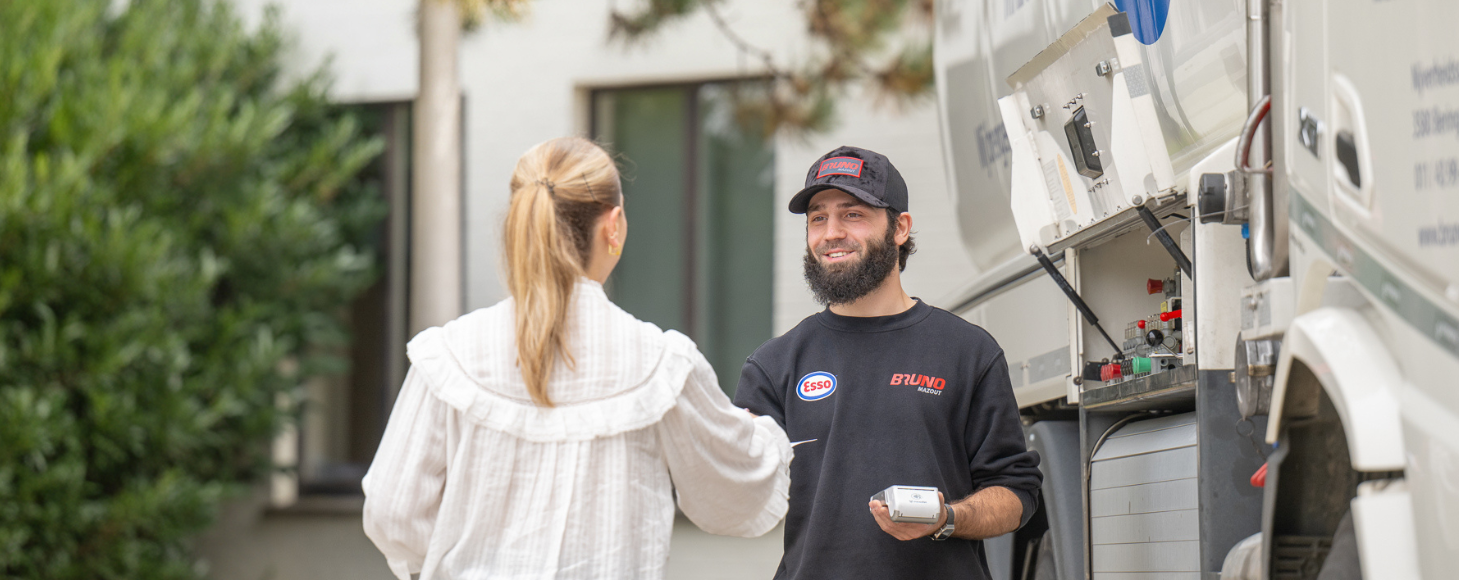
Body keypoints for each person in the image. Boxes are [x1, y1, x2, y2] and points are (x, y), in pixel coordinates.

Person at [361, 136, 793, 580]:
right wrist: (774, 430)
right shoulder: (661, 363)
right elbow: (733, 497)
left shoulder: (447, 354)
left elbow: (393, 511)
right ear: (614, 225)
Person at [733, 146, 1043, 580]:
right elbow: (737, 496)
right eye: (818, 218)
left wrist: (945, 518)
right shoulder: (774, 365)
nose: (831, 232)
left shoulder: (968, 352)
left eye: (852, 214)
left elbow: (1017, 493)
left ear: (900, 228)